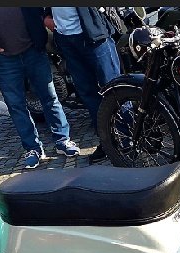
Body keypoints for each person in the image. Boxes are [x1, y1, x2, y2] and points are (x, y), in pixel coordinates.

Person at [0, 7, 79, 168]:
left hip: (33, 48)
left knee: (50, 97)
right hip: (2, 58)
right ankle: (32, 148)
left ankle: (63, 140)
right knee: (16, 105)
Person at [44, 7, 121, 163]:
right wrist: (47, 17)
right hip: (66, 41)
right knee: (88, 94)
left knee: (113, 88)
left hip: (94, 34)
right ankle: (107, 141)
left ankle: (127, 137)